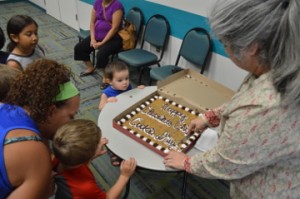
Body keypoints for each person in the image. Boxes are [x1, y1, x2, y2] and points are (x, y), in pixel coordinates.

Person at [164, 0, 300, 198]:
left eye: (225, 43)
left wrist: (186, 162)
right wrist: (210, 117)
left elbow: (226, 161)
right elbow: (246, 97)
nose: (225, 48)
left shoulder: (264, 107)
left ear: (252, 48)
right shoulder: (279, 63)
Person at [0, 58, 80, 198]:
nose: (71, 124)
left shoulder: (5, 105)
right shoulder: (33, 151)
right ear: (50, 111)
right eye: (71, 117)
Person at [52, 119, 137, 198]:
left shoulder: (60, 152)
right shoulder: (86, 187)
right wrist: (124, 176)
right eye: (98, 142)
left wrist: (91, 155)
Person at [74, 0, 124, 83]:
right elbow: (92, 22)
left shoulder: (117, 5)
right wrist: (93, 39)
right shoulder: (97, 3)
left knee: (101, 54)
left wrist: (102, 43)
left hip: (113, 38)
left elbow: (115, 28)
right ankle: (90, 67)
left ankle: (106, 77)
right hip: (97, 36)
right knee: (79, 48)